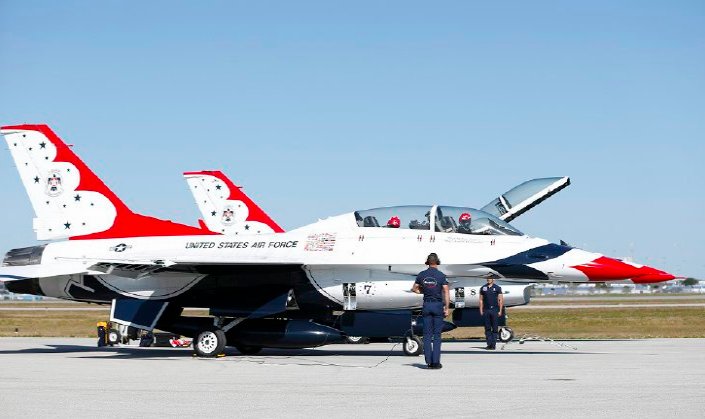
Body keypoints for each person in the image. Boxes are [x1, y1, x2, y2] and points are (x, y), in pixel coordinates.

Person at [412, 253, 449, 369]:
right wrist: (447, 307)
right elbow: (446, 291)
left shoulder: (422, 275)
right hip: (437, 305)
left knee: (427, 335)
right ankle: (436, 362)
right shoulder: (441, 275)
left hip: (427, 305)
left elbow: (414, 288)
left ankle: (428, 361)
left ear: (427, 262)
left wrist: (424, 291)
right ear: (437, 262)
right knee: (437, 335)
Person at [479, 277, 504, 350]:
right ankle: (489, 344)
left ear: (493, 279)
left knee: (495, 328)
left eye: (490, 278)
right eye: (487, 278)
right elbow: (481, 300)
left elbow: (501, 300)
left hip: (494, 310)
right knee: (487, 328)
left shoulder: (497, 288)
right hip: (486, 310)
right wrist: (481, 310)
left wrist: (500, 310)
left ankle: (493, 344)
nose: (488, 279)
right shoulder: (483, 288)